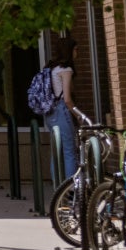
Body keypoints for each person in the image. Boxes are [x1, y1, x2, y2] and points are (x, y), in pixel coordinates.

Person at [45, 35, 78, 179]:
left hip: (50, 113)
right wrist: (79, 115)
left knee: (57, 152)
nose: (77, 53)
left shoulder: (52, 68)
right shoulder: (66, 70)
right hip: (61, 111)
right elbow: (67, 99)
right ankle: (71, 190)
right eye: (75, 49)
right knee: (70, 151)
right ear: (69, 51)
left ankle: (58, 189)